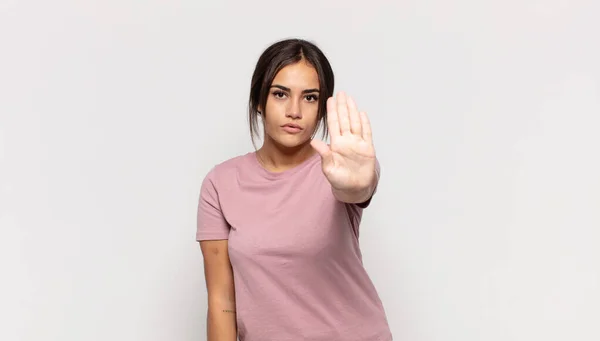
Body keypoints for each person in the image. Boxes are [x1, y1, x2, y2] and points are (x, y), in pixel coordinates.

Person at [196, 38, 392, 341]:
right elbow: (222, 302)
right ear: (259, 101)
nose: (295, 111)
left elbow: (357, 189)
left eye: (310, 98)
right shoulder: (220, 183)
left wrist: (359, 183)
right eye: (280, 94)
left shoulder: (340, 168)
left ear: (322, 108)